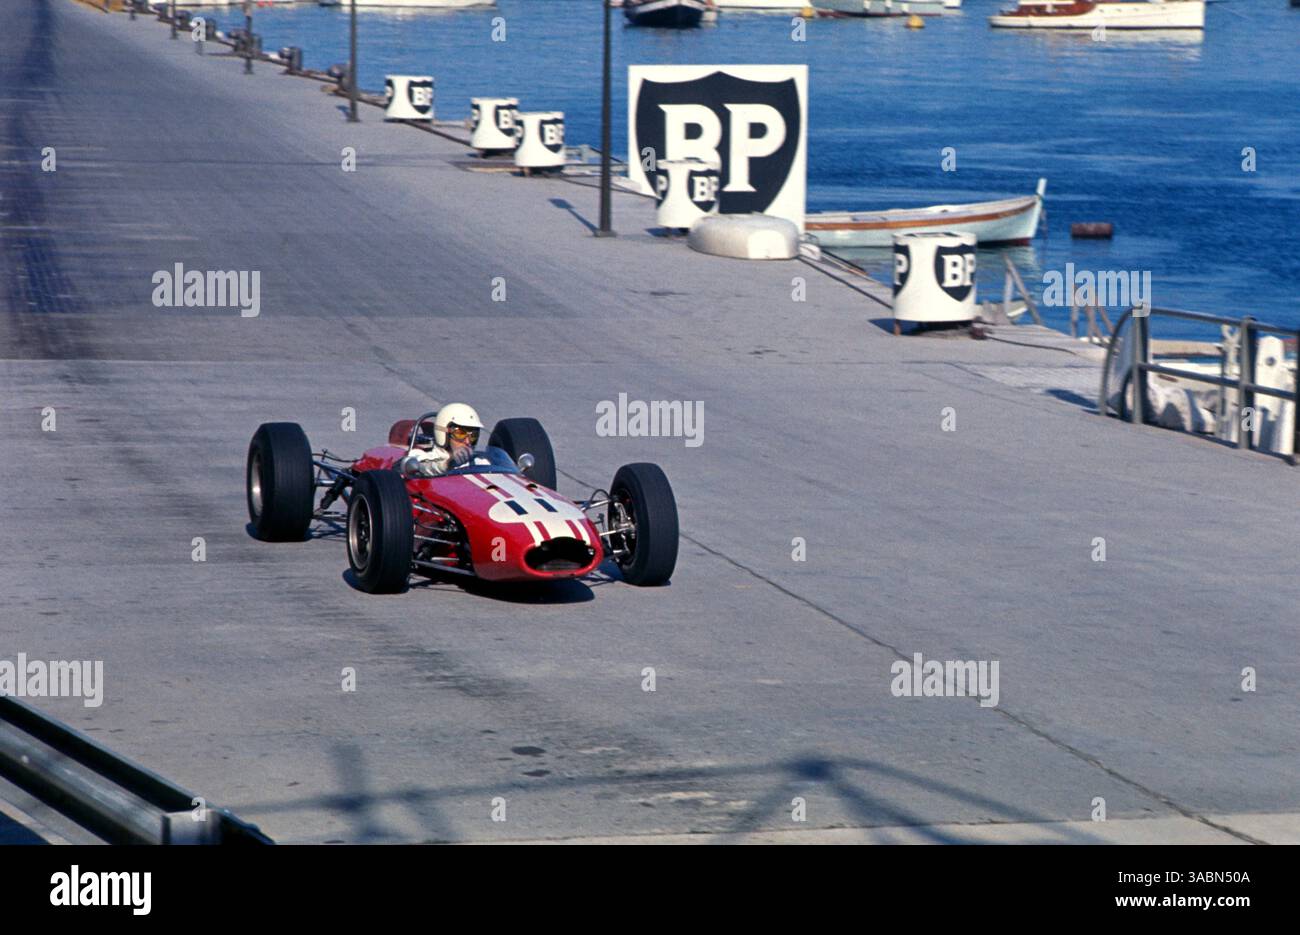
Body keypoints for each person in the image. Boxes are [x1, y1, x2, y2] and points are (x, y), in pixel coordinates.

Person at [404, 403, 484, 477]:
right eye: (460, 433)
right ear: (444, 433)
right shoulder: (422, 456)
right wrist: (448, 463)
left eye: (473, 435)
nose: (467, 441)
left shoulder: (478, 460)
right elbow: (425, 467)